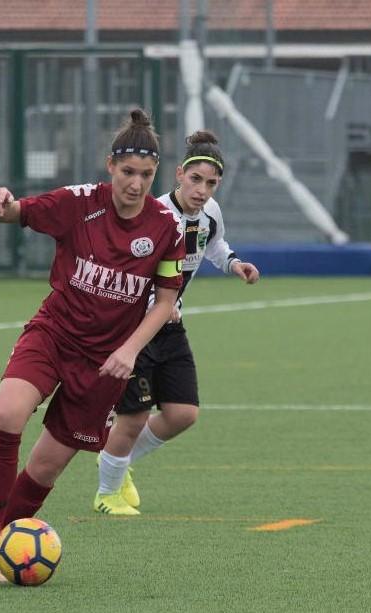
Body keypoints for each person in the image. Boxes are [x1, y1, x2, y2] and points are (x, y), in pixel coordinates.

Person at [0, 109, 185, 581]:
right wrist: (2, 204)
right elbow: (18, 211)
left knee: (44, 468)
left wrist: (129, 350)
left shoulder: (166, 226)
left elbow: (165, 302)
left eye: (146, 175)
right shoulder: (80, 203)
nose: (136, 184)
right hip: (55, 333)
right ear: (110, 166)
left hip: (105, 364)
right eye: (128, 172)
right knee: (6, 414)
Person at [92, 130, 260, 516]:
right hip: (137, 326)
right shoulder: (154, 217)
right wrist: (156, 303)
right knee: (133, 416)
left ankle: (117, 460)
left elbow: (214, 244)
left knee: (183, 413)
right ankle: (106, 493)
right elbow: (129, 269)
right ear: (178, 176)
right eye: (195, 180)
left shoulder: (210, 213)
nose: (202, 191)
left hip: (172, 324)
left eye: (211, 183)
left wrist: (234, 264)